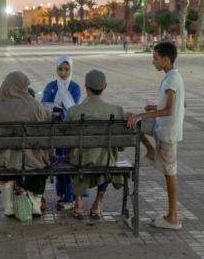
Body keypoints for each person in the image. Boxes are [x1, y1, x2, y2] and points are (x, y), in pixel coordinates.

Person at [126, 42, 185, 230]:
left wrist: (144, 115)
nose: (153, 62)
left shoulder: (172, 80)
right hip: (161, 126)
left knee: (170, 173)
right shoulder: (173, 77)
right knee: (131, 121)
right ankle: (151, 152)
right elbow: (181, 105)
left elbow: (169, 110)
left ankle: (172, 217)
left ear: (166, 60)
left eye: (155, 58)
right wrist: (154, 108)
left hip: (167, 133)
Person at [0, 72, 52, 219]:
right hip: (32, 160)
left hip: (4, 161)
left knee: (6, 156)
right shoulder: (33, 105)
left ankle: (9, 206)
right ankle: (35, 203)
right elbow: (46, 116)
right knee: (40, 154)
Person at [66, 69, 125, 220]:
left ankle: (78, 203)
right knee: (106, 159)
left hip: (80, 161)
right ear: (105, 86)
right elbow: (121, 146)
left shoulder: (73, 111)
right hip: (106, 161)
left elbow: (67, 142)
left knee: (73, 157)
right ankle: (98, 203)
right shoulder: (117, 110)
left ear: (86, 87)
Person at [41, 55, 82, 211]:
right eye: (60, 69)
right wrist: (54, 110)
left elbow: (73, 109)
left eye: (66, 69)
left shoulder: (75, 87)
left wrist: (59, 111)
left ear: (71, 69)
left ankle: (70, 197)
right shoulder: (51, 85)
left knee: (68, 162)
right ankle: (62, 194)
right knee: (59, 162)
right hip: (54, 131)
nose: (63, 73)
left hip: (70, 132)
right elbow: (44, 105)